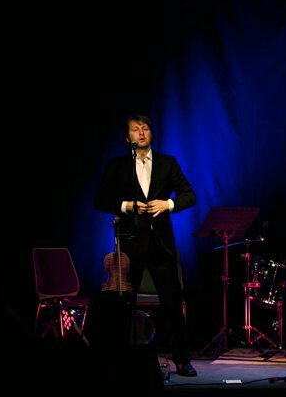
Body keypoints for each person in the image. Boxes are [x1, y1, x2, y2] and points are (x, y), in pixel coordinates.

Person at [94, 114, 198, 377]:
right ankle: (118, 360)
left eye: (145, 128)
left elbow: (189, 195)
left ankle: (182, 359)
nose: (141, 133)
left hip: (161, 246)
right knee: (123, 305)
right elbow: (100, 199)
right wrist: (127, 206)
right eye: (135, 129)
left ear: (151, 133)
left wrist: (168, 204)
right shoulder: (118, 166)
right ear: (126, 137)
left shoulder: (167, 163)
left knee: (172, 303)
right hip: (131, 247)